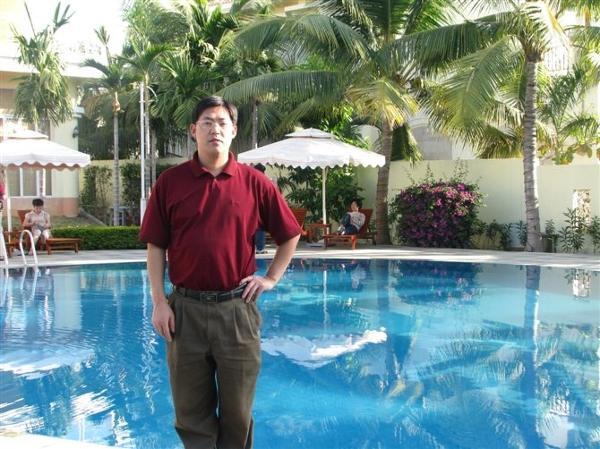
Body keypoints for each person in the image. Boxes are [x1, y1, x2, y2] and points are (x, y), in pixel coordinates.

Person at [140, 96, 301, 449]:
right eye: (207, 122)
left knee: (238, 413)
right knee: (190, 412)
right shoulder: (170, 183)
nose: (215, 129)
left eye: (222, 122)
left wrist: (270, 278)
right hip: (185, 311)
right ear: (193, 130)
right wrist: (159, 303)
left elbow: (290, 234)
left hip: (236, 311)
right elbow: (155, 246)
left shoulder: (255, 183)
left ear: (234, 131)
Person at [253, 164, 267, 254]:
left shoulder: (251, 178)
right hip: (259, 207)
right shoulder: (263, 180)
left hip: (252, 207)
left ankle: (258, 247)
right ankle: (260, 248)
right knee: (260, 227)